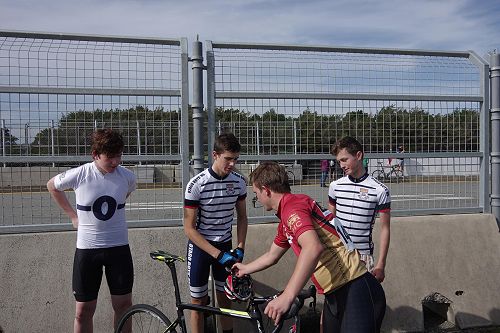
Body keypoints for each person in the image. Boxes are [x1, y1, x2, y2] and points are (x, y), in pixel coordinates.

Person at [233, 161, 386, 332]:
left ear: (266, 190)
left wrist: (287, 296)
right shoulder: (287, 215)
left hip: (355, 288)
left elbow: (313, 248)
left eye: (256, 193)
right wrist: (245, 269)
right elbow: (272, 255)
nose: (258, 199)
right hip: (336, 292)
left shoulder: (292, 208)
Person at [47, 129, 136, 333]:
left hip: (119, 248)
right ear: (95, 155)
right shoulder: (81, 174)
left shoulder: (128, 177)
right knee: (83, 310)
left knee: (123, 306)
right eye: (110, 157)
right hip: (88, 250)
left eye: (119, 156)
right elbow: (52, 186)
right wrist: (73, 216)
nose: (115, 162)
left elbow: (125, 194)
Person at [184, 133, 248, 333]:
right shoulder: (196, 184)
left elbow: (242, 218)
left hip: (226, 246)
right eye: (228, 158)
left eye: (235, 159)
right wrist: (217, 254)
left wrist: (240, 247)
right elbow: (188, 228)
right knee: (198, 302)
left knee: (225, 298)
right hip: (202, 248)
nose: (232, 164)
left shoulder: (239, 181)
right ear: (215, 155)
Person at [328, 136, 391, 282]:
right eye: (339, 161)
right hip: (338, 254)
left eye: (344, 159)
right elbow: (329, 223)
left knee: (363, 303)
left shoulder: (380, 190)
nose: (341, 165)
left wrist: (381, 265)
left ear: (358, 155)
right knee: (337, 303)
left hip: (363, 257)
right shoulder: (335, 186)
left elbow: (385, 229)